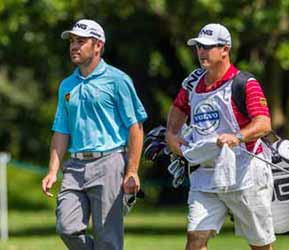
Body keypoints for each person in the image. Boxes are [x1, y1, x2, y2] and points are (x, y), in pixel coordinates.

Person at [166, 23, 276, 250]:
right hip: (205, 175)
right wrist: (171, 136)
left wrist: (237, 136)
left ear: (225, 49)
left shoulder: (245, 83)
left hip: (245, 174)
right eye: (198, 47)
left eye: (208, 47)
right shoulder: (193, 83)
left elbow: (264, 124)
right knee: (195, 239)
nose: (201, 52)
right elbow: (178, 109)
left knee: (259, 244)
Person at [41, 19, 147, 250]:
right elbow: (61, 130)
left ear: (98, 45)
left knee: (108, 239)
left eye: (81, 41)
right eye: (72, 41)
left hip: (110, 163)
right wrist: (52, 171)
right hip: (75, 167)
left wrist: (132, 171)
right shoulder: (67, 85)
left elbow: (135, 127)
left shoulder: (118, 80)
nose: (74, 46)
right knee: (66, 228)